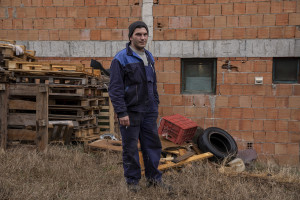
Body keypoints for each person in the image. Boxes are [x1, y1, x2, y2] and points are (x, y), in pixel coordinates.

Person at [109, 21, 169, 192]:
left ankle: (154, 180)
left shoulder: (149, 57)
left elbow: (153, 84)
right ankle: (133, 182)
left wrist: (155, 104)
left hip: (149, 111)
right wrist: (122, 112)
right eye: (138, 34)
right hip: (131, 112)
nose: (142, 38)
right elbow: (115, 88)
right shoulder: (120, 58)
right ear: (130, 37)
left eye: (145, 34)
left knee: (153, 146)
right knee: (130, 148)